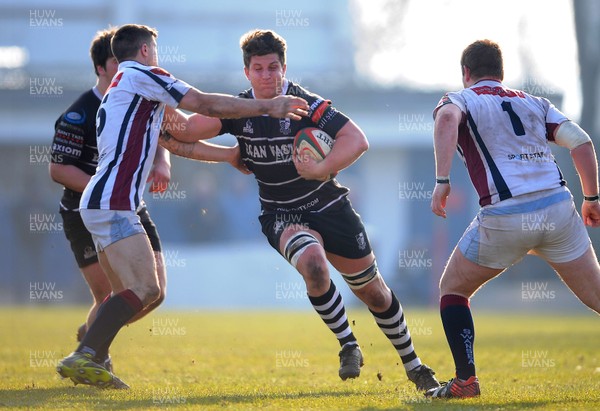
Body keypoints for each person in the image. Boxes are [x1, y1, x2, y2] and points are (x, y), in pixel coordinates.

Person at [158, 29, 440, 392]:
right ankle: (348, 345)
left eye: (273, 67)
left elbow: (357, 139)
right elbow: (181, 132)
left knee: (374, 293)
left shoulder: (307, 104)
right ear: (247, 73)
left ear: (284, 67)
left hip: (329, 205)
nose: (267, 76)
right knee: (314, 266)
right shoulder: (237, 110)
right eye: (258, 69)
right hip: (281, 215)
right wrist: (158, 98)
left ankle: (414, 366)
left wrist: (322, 168)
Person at [56, 23, 309, 389]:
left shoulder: (125, 91)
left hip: (100, 202)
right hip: (113, 202)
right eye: (155, 50)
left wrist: (228, 155)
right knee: (148, 289)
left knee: (124, 294)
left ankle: (94, 356)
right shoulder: (144, 74)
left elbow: (177, 140)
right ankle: (85, 351)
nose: (158, 57)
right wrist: (268, 107)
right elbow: (203, 103)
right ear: (145, 51)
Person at [426, 39, 600, 399]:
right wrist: (592, 197)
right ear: (501, 74)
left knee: (453, 290)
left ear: (466, 74)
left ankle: (466, 381)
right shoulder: (535, 102)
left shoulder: (461, 99)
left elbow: (445, 118)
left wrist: (442, 181)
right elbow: (581, 141)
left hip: (507, 215)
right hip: (558, 209)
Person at [50, 27, 169, 374]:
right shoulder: (79, 113)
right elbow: (59, 169)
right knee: (108, 295)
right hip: (87, 208)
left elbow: (160, 131)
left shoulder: (138, 95)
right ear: (101, 68)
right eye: (117, 61)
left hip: (130, 203)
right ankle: (92, 356)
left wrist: (161, 161)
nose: (127, 67)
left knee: (155, 292)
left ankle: (93, 337)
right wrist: (105, 187)